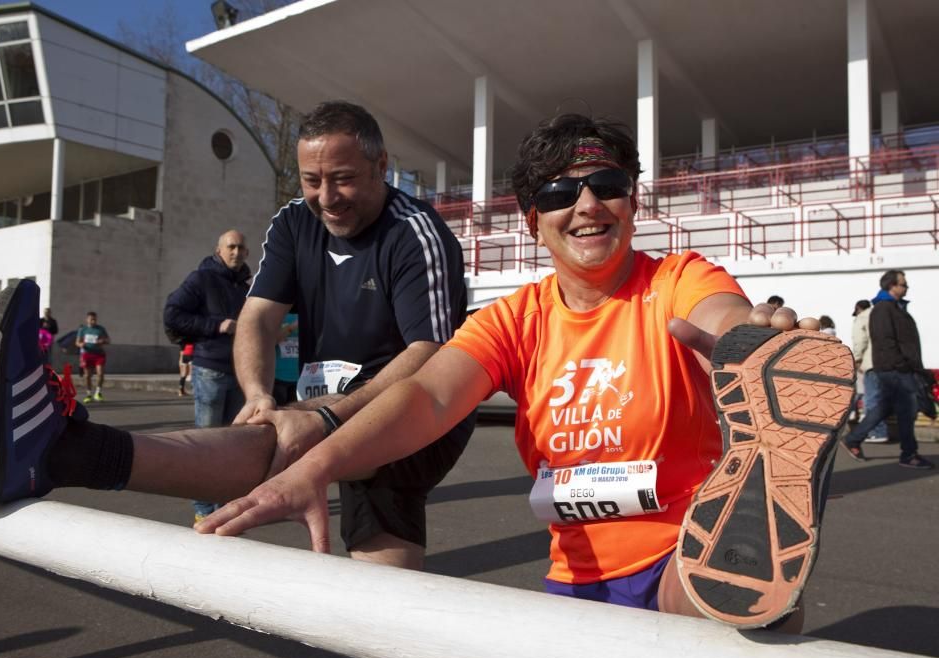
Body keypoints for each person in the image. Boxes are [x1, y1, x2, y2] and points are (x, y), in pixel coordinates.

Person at [195, 114, 855, 631]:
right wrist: (317, 465)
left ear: (633, 202)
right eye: (563, 191)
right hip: (577, 573)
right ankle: (755, 595)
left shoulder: (678, 280)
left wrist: (754, 340)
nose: (589, 203)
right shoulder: (517, 319)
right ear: (535, 221)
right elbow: (425, 396)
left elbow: (721, 314)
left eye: (610, 186)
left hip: (679, 549)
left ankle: (754, 575)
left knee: (716, 602)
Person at [0, 100, 473, 579]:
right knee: (377, 575)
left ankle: (62, 452)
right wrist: (259, 396)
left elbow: (427, 354)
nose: (327, 198)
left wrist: (326, 417)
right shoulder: (296, 220)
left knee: (285, 442)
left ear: (382, 165)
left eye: (343, 179)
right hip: (328, 399)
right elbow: (256, 320)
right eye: (312, 180)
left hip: (411, 399)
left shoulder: (417, 233)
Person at [163, 229, 251, 522]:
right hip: (210, 370)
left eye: (241, 247)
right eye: (231, 247)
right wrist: (217, 326)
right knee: (206, 444)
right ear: (218, 250)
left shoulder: (245, 287)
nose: (236, 252)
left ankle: (224, 508)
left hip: (240, 373)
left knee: (232, 445)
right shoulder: (200, 278)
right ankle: (203, 509)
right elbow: (172, 314)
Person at [844, 270, 934, 469]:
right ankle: (909, 454)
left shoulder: (893, 308)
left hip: (895, 368)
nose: (906, 287)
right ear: (891, 286)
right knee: (907, 410)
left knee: (886, 408)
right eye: (903, 284)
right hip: (894, 370)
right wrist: (902, 365)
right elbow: (885, 341)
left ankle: (854, 439)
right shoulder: (884, 309)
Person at [851, 299, 888, 441]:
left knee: (871, 399)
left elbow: (860, 341)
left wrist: (857, 359)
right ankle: (880, 431)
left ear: (858, 308)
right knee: (881, 398)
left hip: (871, 363)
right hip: (887, 363)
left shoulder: (862, 317)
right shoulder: (882, 315)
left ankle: (878, 432)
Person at [76, 311, 110, 403]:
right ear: (87, 319)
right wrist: (81, 344)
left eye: (94, 319)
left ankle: (98, 392)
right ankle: (89, 394)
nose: (93, 321)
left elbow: (108, 340)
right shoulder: (83, 330)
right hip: (87, 354)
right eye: (91, 319)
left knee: (100, 373)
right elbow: (77, 342)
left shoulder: (100, 329)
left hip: (99, 354)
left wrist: (102, 341)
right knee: (87, 375)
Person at [273, 312, 299, 406]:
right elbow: (269, 341)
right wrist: (291, 327)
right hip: (277, 378)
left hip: (300, 379)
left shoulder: (307, 314)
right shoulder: (274, 314)